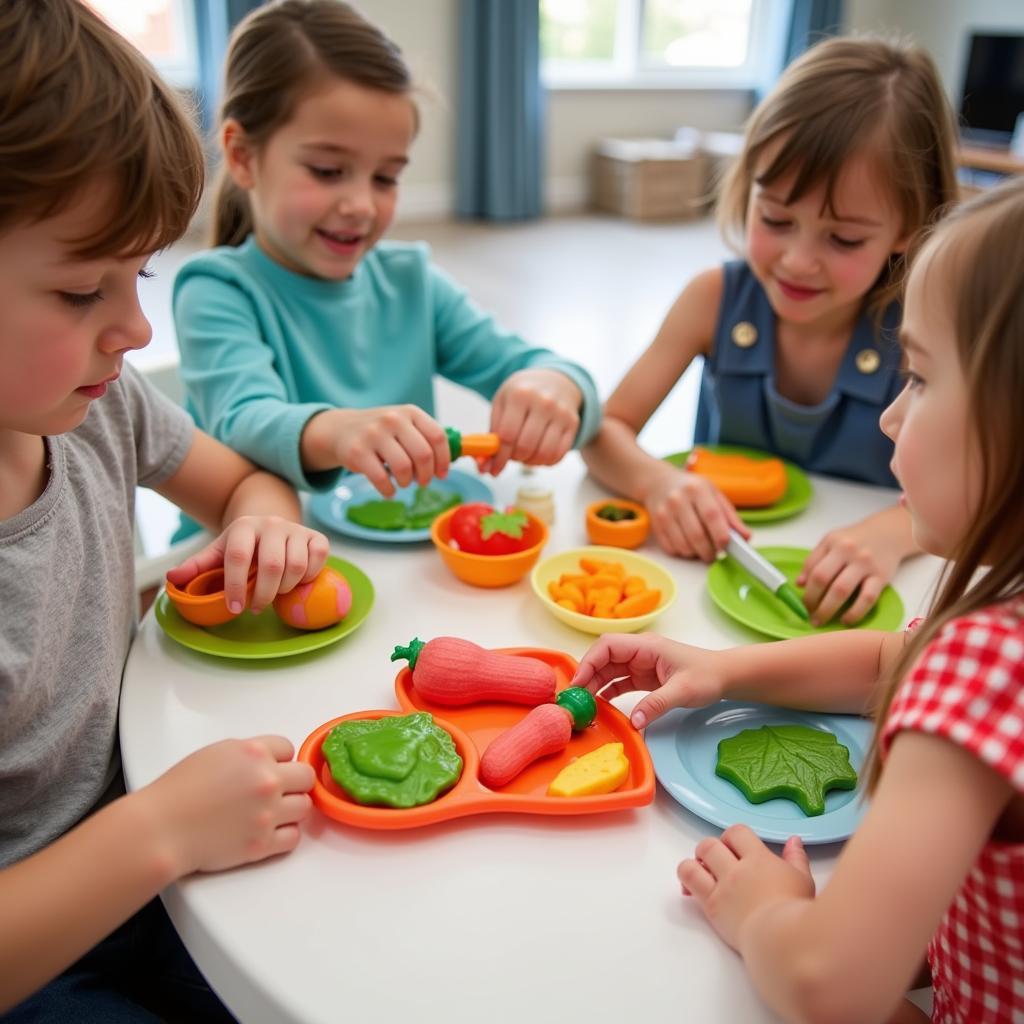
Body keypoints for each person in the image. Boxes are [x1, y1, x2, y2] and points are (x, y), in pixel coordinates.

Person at [573, 178, 1024, 1023]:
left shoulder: (992, 658)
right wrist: (721, 671)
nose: (892, 417)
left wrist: (768, 913)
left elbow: (825, 985)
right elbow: (894, 659)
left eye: (920, 379)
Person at [0, 1, 331, 1017]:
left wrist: (260, 522)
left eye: (139, 274)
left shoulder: (91, 411)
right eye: (80, 292)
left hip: (147, 849)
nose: (136, 329)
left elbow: (241, 480)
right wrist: (159, 832)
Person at [582, 36, 959, 626]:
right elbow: (604, 428)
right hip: (709, 590)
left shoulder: (929, 332)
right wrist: (657, 483)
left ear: (911, 225)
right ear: (749, 186)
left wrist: (892, 531)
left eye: (844, 238)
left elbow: (987, 489)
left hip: (851, 616)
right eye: (776, 219)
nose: (797, 261)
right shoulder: (713, 299)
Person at [173, 0, 599, 510]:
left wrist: (554, 387)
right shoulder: (216, 288)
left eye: (386, 178)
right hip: (249, 565)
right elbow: (244, 417)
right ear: (243, 157)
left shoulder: (411, 280)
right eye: (328, 170)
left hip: (396, 543)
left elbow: (542, 370)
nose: (360, 206)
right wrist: (338, 431)